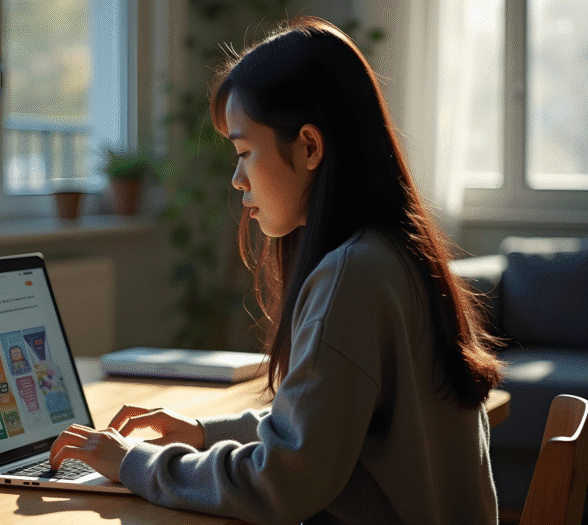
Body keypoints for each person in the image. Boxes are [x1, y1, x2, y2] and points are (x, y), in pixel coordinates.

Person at [50, 16, 504, 524]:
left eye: (245, 152)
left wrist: (133, 461)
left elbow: (284, 480)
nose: (237, 179)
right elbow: (322, 427)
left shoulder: (352, 275)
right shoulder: (397, 253)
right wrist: (205, 433)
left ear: (310, 146)